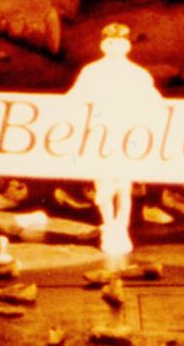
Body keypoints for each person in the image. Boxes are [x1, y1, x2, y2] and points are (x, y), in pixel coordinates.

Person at [63, 23, 163, 259]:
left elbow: (155, 101)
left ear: (126, 46)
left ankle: (121, 228)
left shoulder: (137, 74)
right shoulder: (92, 72)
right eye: (111, 42)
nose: (115, 47)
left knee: (124, 187)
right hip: (99, 135)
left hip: (127, 135)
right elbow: (74, 97)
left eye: (120, 42)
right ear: (104, 45)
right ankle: (109, 226)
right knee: (104, 188)